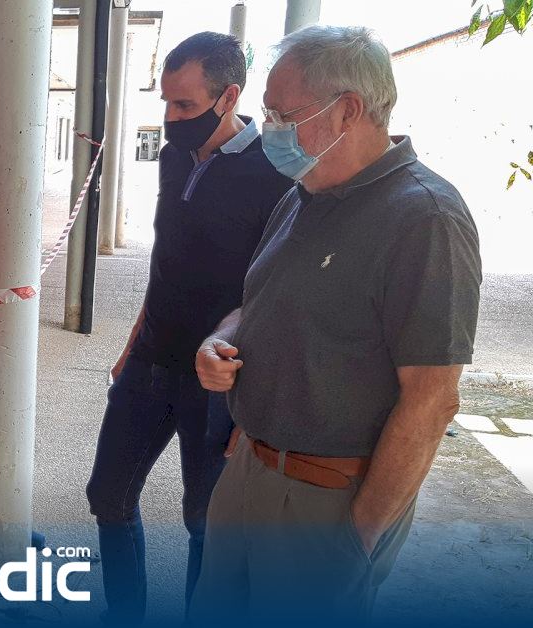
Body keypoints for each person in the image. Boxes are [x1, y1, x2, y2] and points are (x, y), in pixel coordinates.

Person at [190, 25, 482, 621]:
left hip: (326, 498)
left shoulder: (425, 219)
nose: (269, 128)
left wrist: (358, 538)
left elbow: (432, 400)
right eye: (267, 113)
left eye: (283, 114)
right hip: (250, 471)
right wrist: (220, 339)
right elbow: (259, 304)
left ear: (348, 110)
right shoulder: (303, 194)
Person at [84, 32, 294, 623]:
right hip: (150, 362)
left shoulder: (276, 174)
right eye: (166, 103)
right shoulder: (174, 157)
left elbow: (278, 297)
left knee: (206, 522)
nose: (171, 119)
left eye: (185, 105)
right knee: (108, 496)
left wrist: (254, 410)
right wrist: (132, 342)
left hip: (220, 381)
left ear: (229, 96)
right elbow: (167, 262)